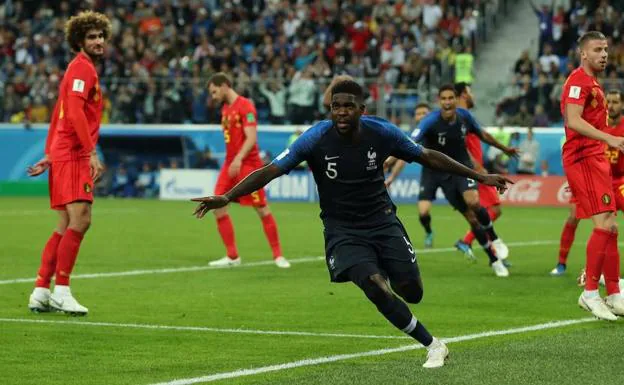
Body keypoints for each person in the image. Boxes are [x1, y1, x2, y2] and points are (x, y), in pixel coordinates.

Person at [191, 80, 512, 368]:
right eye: (336, 107)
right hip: (342, 230)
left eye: (348, 106)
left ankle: (386, 268)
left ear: (361, 109)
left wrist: (480, 176)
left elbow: (427, 156)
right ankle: (433, 345)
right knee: (374, 286)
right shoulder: (315, 137)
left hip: (383, 222)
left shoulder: (381, 132)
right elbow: (271, 170)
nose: (341, 112)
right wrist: (228, 197)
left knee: (411, 291)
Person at [26, 11, 111, 315]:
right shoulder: (82, 69)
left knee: (65, 223)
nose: (98, 41)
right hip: (74, 153)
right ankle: (61, 289)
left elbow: (59, 111)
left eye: (101, 36)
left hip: (65, 151)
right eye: (91, 37)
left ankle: (40, 289)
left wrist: (50, 153)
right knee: (81, 218)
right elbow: (73, 112)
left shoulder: (80, 69)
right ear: (79, 41)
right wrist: (90, 151)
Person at [413, 85, 518, 275]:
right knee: (471, 219)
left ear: (455, 99)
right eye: (443, 99)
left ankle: (495, 238)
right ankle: (494, 260)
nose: (447, 102)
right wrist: (388, 160)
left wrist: (504, 148)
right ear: (439, 101)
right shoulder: (430, 121)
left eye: (450, 98)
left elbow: (483, 134)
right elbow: (409, 142)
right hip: (443, 176)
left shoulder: (464, 117)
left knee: (474, 201)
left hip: (463, 169)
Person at [560, 31, 624, 321]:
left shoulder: (593, 83)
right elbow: (573, 121)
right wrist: (609, 139)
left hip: (596, 158)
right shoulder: (577, 82)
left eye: (606, 49)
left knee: (610, 226)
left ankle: (613, 292)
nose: (604, 54)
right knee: (603, 224)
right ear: (583, 53)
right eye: (598, 49)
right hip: (583, 158)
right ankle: (589, 293)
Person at [206, 72, 289, 268]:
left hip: (247, 164)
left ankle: (278, 256)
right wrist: (233, 160)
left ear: (225, 85)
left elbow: (251, 138)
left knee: (261, 208)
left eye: (214, 91)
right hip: (230, 164)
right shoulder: (225, 109)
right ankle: (232, 256)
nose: (213, 96)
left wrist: (238, 158)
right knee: (217, 206)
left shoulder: (245, 106)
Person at [552, 90, 624, 279]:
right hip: (593, 178)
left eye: (616, 102)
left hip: (619, 181)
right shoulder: (597, 125)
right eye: (608, 101)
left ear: (622, 105)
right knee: (573, 216)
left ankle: (597, 272)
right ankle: (561, 263)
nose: (611, 105)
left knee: (608, 226)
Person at [448, 83, 511, 260]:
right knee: (493, 210)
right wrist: (478, 168)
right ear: (462, 96)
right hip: (474, 172)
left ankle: (481, 248)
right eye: (470, 91)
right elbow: (462, 146)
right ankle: (467, 241)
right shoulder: (460, 118)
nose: (473, 95)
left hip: (475, 171)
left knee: (483, 212)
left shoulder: (467, 117)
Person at [384, 103, 434, 247]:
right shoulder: (415, 135)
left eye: (424, 113)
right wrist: (391, 175)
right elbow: (403, 157)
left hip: (449, 173)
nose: (421, 116)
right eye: (418, 114)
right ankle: (429, 232)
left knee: (470, 208)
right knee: (423, 212)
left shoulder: (438, 127)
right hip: (430, 174)